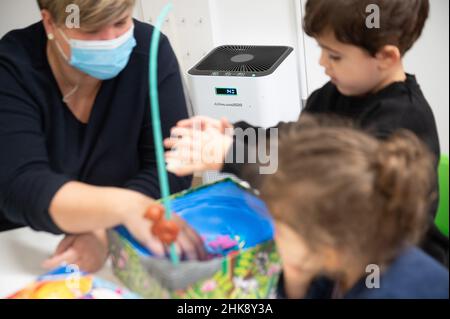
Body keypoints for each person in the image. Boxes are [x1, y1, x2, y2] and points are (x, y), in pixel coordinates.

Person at [164, 0, 448, 267]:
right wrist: (237, 138)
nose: (322, 62)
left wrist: (233, 153)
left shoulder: (405, 123)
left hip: (386, 267)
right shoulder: (332, 94)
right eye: (321, 49)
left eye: (335, 55)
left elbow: (325, 189)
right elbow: (293, 144)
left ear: (385, 57)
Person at [0, 0, 205, 273]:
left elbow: (171, 166)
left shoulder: (149, 51)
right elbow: (21, 185)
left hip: (120, 246)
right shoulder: (12, 68)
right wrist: (126, 208)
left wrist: (105, 232)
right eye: (91, 29)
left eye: (120, 22)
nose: (110, 40)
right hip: (21, 252)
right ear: (50, 22)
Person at [262, 115, 449, 299]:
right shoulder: (358, 253)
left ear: (328, 244)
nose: (273, 236)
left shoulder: (385, 290)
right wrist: (297, 281)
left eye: (279, 229)